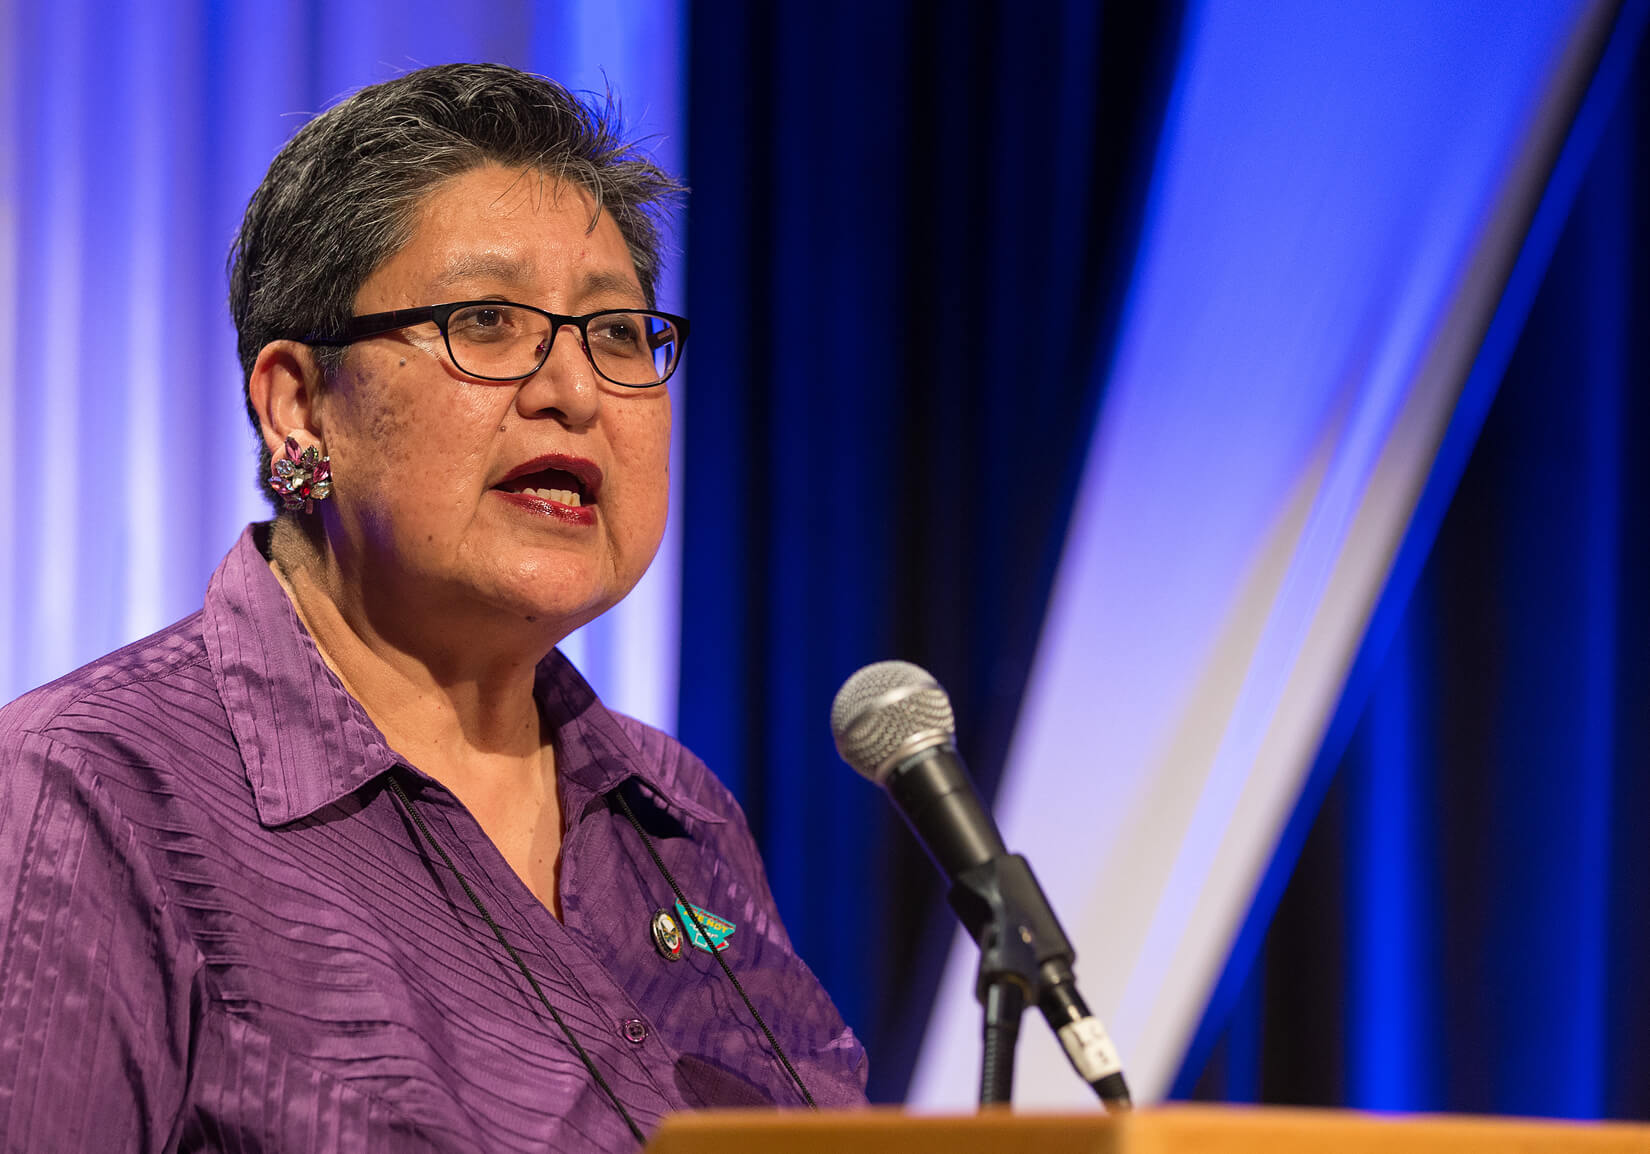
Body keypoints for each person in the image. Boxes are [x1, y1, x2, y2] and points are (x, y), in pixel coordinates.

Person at [0, 63, 867, 1151]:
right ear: (298, 406)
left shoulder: (677, 810)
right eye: (487, 320)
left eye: (616, 334)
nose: (576, 389)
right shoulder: (95, 787)